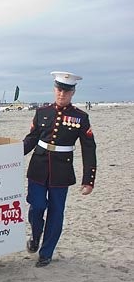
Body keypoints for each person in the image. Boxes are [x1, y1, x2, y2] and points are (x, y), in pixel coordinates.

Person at [23, 71, 97, 267]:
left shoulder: (81, 117)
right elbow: (31, 139)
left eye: (66, 91)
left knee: (56, 213)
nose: (62, 94)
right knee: (37, 206)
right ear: (54, 89)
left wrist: (88, 180)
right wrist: (11, 155)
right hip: (38, 168)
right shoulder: (42, 113)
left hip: (61, 172)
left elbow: (89, 149)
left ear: (73, 92)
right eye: (59, 90)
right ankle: (36, 235)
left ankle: (46, 253)